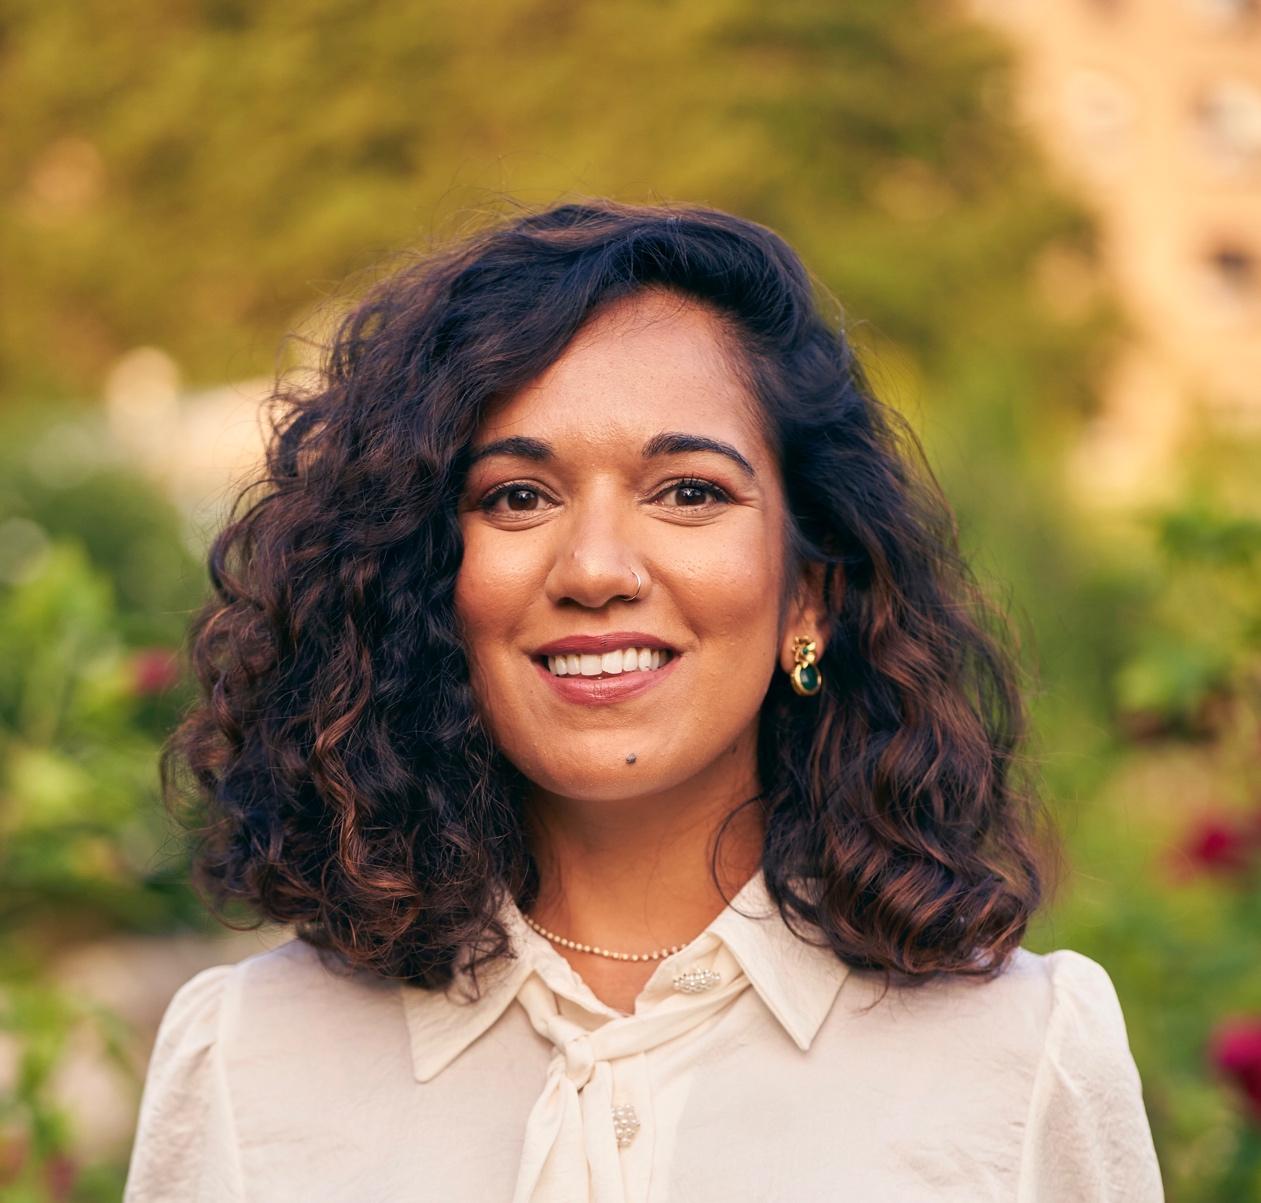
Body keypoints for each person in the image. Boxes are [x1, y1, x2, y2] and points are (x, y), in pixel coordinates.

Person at [122, 199, 1165, 1202]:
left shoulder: (1024, 1054)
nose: (596, 568)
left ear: (809, 590)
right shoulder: (246, 1057)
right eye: (517, 497)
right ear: (422, 578)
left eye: (689, 492)